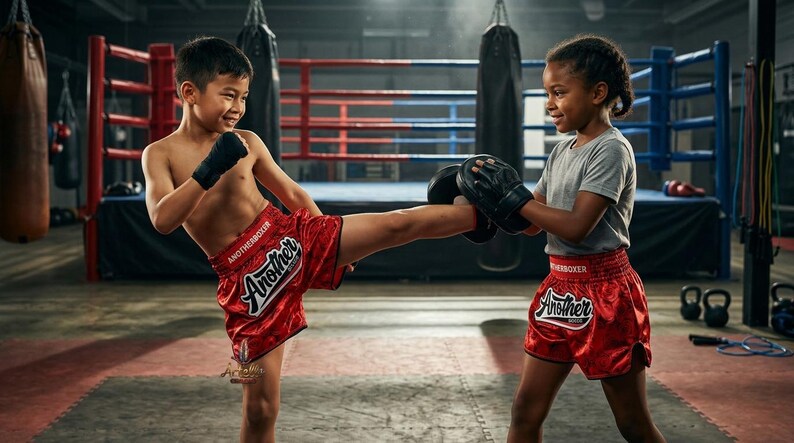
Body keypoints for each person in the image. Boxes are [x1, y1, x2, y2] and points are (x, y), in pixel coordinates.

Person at [141, 36, 486, 443]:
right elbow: (163, 219)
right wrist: (207, 171)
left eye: (244, 97)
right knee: (259, 408)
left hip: (290, 239)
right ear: (189, 92)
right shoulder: (159, 154)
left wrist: (327, 238)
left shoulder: (248, 141)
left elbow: (293, 195)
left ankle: (484, 211)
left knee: (395, 224)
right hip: (247, 284)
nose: (237, 107)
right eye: (228, 95)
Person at [461, 34, 666, 442]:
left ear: (597, 93)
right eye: (546, 94)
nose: (550, 103)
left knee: (631, 423)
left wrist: (514, 197)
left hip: (606, 293)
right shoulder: (562, 151)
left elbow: (575, 226)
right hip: (559, 291)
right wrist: (487, 209)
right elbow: (535, 222)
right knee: (525, 410)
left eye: (559, 92)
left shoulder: (611, 150)